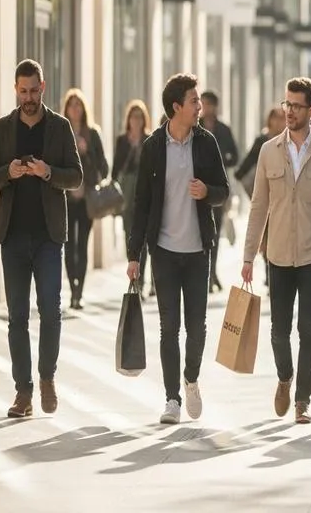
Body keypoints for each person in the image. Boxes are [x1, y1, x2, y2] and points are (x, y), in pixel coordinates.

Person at [241, 77, 311, 425]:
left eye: (296, 106)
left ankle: (303, 400)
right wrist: (247, 256)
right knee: (278, 330)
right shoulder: (269, 150)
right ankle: (284, 377)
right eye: (286, 104)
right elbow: (259, 206)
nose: (289, 111)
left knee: (308, 329)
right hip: (278, 254)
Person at [0, 59, 82, 418]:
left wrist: (48, 172)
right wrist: (7, 172)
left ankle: (47, 378)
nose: (28, 97)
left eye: (33, 90)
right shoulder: (2, 129)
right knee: (17, 318)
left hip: (48, 237)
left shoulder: (60, 127)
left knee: (51, 313)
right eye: (22, 91)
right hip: (13, 238)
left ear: (43, 87)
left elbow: (76, 177)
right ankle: (23, 393)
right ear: (15, 90)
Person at [127, 74, 230, 425]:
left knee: (197, 327)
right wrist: (134, 255)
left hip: (199, 250)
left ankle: (190, 379)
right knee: (169, 327)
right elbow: (141, 203)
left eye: (198, 101)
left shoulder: (206, 143)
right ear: (176, 107)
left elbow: (224, 190)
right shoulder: (154, 146)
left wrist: (207, 192)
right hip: (165, 251)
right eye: (194, 101)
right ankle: (171, 398)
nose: (199, 107)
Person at [62, 88, 109, 310]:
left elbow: (104, 168)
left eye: (78, 104)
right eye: (71, 105)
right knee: (69, 245)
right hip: (67, 199)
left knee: (83, 245)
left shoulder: (93, 133)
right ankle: (72, 288)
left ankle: (79, 293)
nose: (75, 109)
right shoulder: (60, 131)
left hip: (87, 199)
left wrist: (86, 152)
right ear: (66, 109)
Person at [200, 91, 239, 293]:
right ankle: (205, 274)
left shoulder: (223, 130)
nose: (205, 108)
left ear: (215, 107)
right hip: (197, 187)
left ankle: (211, 272)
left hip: (217, 188)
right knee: (200, 234)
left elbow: (235, 156)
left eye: (209, 104)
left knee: (214, 233)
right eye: (202, 104)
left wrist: (222, 159)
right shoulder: (194, 126)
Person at [113, 99, 151, 293]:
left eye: (139, 116)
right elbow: (116, 168)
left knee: (143, 240)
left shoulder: (149, 139)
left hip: (143, 196)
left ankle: (141, 281)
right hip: (127, 196)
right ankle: (133, 277)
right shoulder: (122, 140)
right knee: (131, 237)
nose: (136, 120)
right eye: (133, 117)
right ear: (128, 119)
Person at [235, 106, 285, 200]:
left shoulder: (288, 140)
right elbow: (251, 158)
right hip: (264, 178)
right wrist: (240, 173)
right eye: (275, 118)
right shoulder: (262, 139)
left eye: (281, 118)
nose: (278, 122)